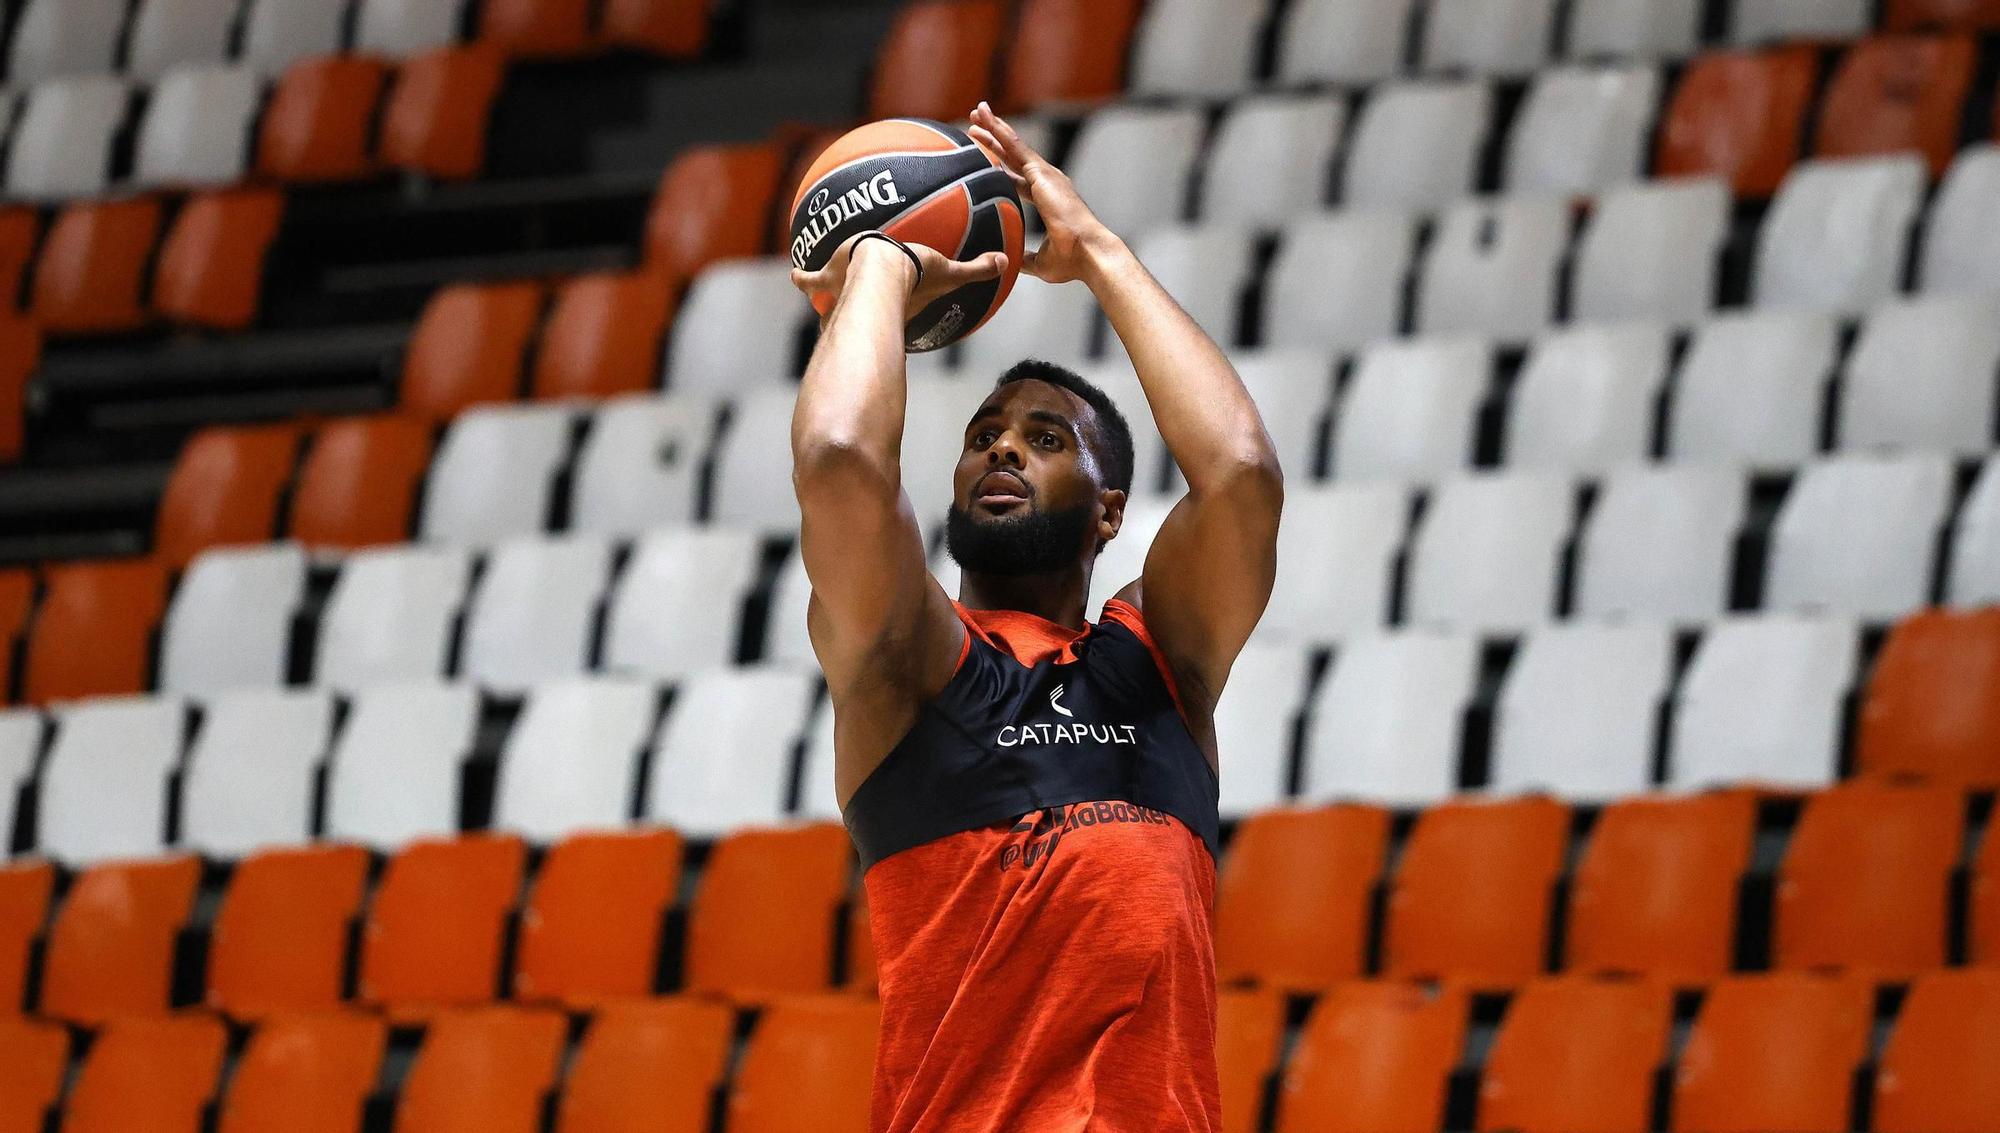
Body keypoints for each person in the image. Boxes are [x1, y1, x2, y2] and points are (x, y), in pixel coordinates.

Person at [789, 102, 1283, 1133]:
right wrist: (878, 263)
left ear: (1110, 510)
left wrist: (1098, 250)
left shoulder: (1159, 664)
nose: (1000, 449)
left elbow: (1237, 473)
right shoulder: (908, 661)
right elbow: (839, 454)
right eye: (981, 434)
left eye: (1044, 435)